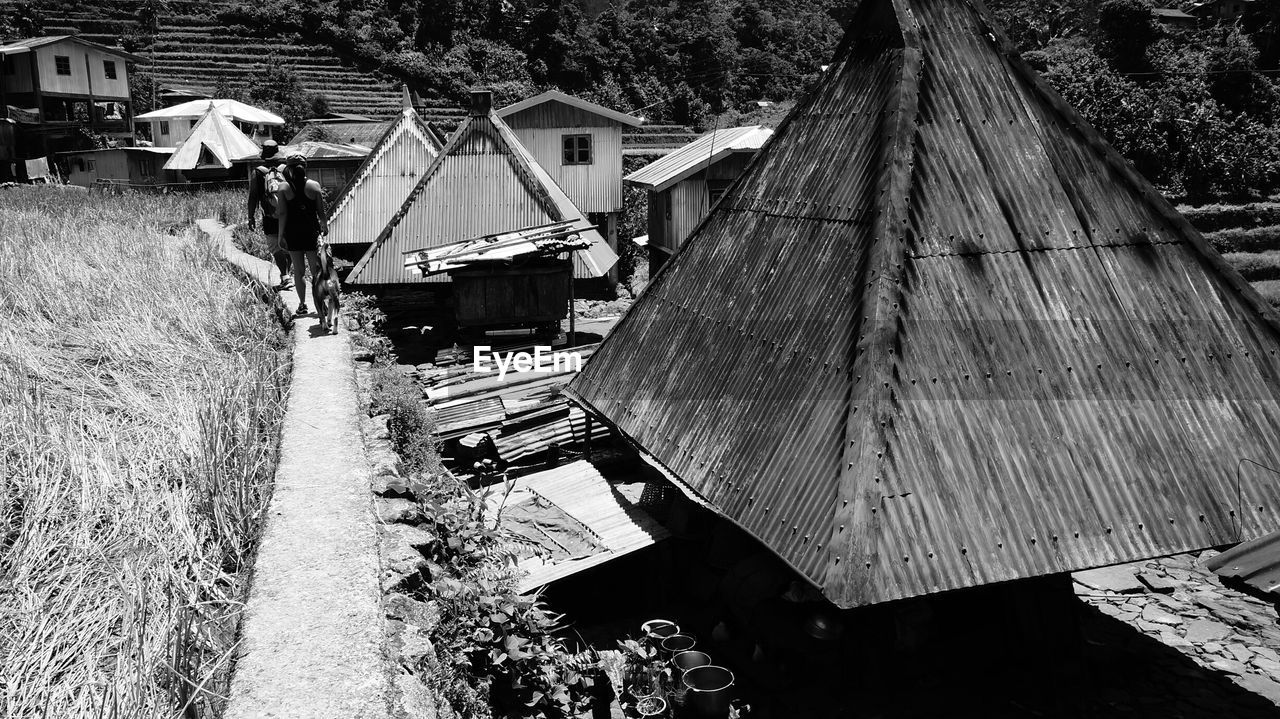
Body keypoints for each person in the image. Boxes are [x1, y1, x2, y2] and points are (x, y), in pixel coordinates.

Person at [281, 153, 327, 316]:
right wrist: (324, 226)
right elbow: (321, 212)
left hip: (293, 234)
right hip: (311, 233)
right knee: (316, 272)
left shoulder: (283, 187)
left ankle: (302, 304)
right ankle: (320, 304)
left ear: (289, 169)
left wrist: (281, 236)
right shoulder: (314, 186)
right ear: (305, 167)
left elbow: (282, 215)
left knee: (299, 271)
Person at [246, 140, 291, 289]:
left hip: (269, 216)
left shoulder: (258, 171)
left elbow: (253, 196)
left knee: (275, 247)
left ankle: (285, 275)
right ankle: (289, 274)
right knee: (288, 245)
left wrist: (250, 216)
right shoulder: (286, 169)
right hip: (288, 215)